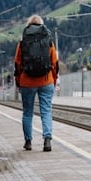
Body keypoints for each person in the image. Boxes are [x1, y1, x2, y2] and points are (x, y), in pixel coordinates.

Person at [14, 15, 59, 152]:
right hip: (46, 81)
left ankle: (28, 141)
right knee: (46, 111)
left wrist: (18, 83)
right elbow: (54, 63)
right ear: (41, 25)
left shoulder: (23, 41)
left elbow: (17, 64)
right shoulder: (48, 40)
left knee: (27, 113)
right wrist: (54, 80)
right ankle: (47, 139)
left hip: (27, 81)